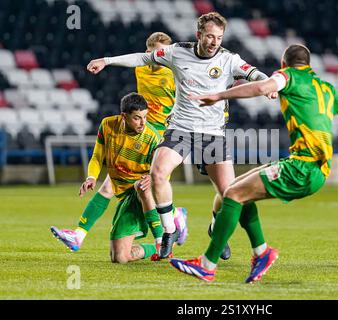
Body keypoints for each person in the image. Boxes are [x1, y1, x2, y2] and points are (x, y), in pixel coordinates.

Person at [169, 43, 338, 282]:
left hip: (303, 168)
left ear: (283, 64)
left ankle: (208, 265)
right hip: (310, 168)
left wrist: (219, 95)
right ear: (309, 65)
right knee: (233, 190)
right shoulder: (324, 87)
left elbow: (264, 87)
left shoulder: (288, 76)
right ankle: (261, 253)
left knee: (233, 195)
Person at [86, 12, 276, 259]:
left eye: (218, 37)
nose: (214, 42)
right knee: (158, 172)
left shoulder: (230, 60)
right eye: (209, 36)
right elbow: (142, 58)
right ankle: (168, 231)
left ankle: (214, 228)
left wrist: (269, 87)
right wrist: (107, 60)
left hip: (212, 134)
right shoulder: (176, 52)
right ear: (199, 35)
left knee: (229, 192)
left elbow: (256, 74)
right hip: (181, 129)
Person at [50, 33, 188, 254]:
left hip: (162, 137)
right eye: (159, 53)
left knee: (150, 186)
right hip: (140, 129)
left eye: (167, 53)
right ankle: (79, 235)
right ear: (148, 53)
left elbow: (186, 98)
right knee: (112, 184)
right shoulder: (141, 67)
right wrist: (105, 61)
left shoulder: (174, 74)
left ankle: (168, 229)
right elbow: (130, 59)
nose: (164, 57)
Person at [73, 92, 165, 263]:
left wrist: (152, 178)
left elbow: (162, 171)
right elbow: (97, 156)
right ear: (124, 116)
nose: (143, 123)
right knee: (120, 257)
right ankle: (158, 248)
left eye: (145, 117)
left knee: (141, 186)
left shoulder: (153, 137)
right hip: (124, 192)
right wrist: (91, 177)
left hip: (142, 192)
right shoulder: (108, 125)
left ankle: (162, 240)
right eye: (137, 118)